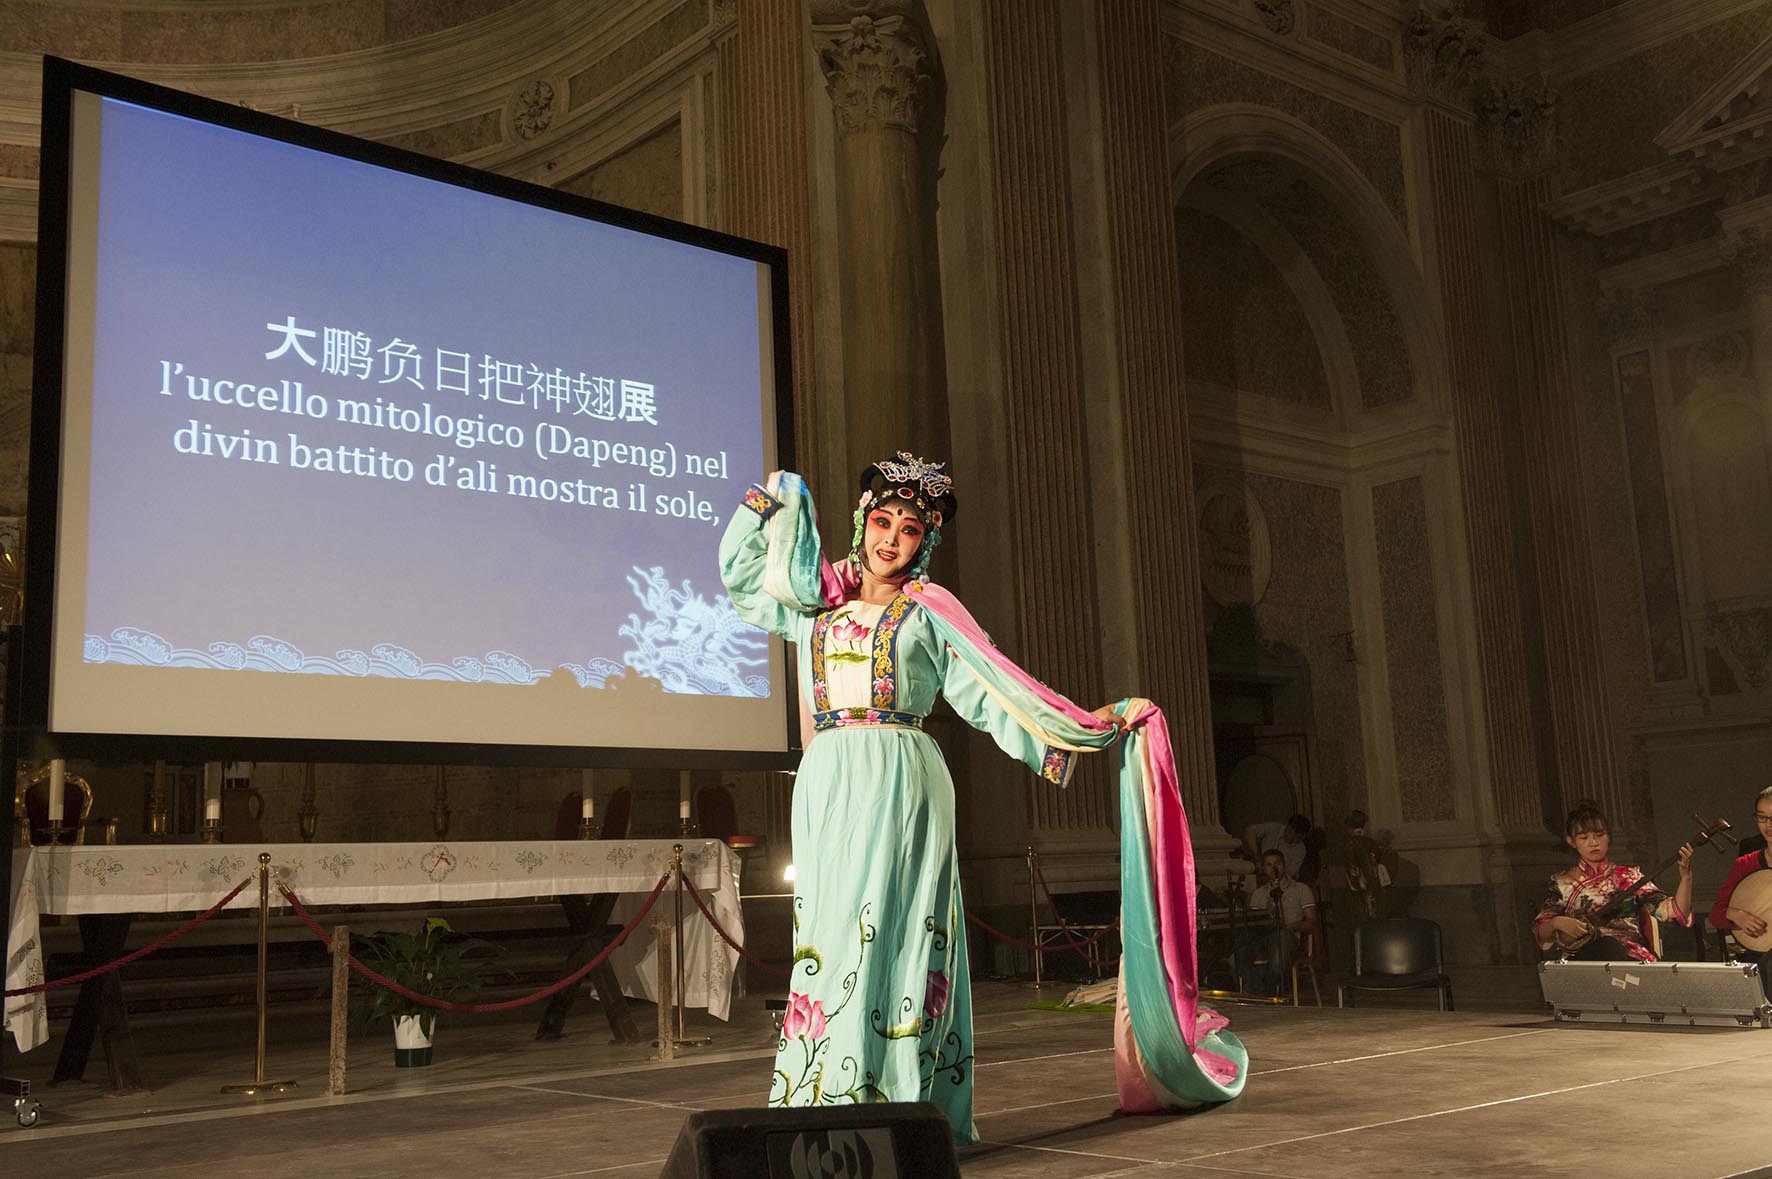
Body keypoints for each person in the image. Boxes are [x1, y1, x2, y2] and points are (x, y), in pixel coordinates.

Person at [719, 456, 1245, 1142]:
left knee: (897, 936)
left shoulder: (929, 611)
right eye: (882, 520)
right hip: (826, 779)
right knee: (831, 940)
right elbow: (742, 576)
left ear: (924, 541)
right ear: (860, 522)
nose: (891, 538)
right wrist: (769, 500)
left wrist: (1090, 725)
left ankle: (901, 1107)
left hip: (901, 779)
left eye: (909, 529)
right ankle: (825, 1097)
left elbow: (1000, 691)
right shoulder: (815, 601)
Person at [1533, 800, 1693, 962]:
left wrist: (1686, 879)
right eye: (1584, 837)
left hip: (1628, 957)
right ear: (1571, 841)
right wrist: (1556, 923)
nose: (1593, 843)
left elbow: (1675, 912)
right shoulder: (1562, 882)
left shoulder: (1629, 877)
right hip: (1583, 961)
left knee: (1609, 946)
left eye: (1599, 835)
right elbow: (1541, 932)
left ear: (1608, 836)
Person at [1708, 786, 1772, 998]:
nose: (1768, 825)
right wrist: (1736, 914)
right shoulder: (1746, 864)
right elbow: (1716, 915)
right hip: (1759, 953)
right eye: (1762, 818)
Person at [1232, 848, 1318, 997]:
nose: (1274, 868)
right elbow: (1254, 920)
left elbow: (1311, 921)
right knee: (1237, 950)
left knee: (1279, 950)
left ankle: (1268, 991)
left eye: (1277, 863)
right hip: (1262, 935)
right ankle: (1259, 991)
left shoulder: (1301, 889)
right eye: (1269, 865)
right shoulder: (1259, 893)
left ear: (1284, 865)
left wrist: (1291, 926)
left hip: (1288, 934)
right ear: (1264, 868)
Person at [1239, 814, 1310, 881]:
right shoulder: (1274, 828)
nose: (1296, 840)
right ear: (1289, 828)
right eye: (1298, 837)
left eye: (1300, 838)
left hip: (1281, 881)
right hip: (1260, 873)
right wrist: (1257, 857)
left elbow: (1290, 873)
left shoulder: (1301, 849)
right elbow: (1250, 830)